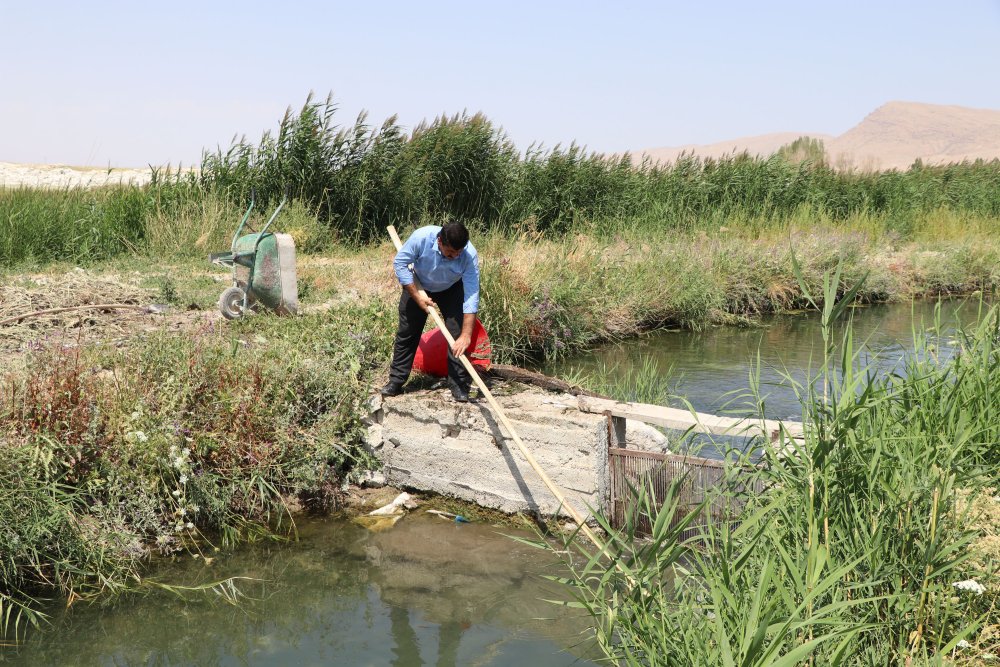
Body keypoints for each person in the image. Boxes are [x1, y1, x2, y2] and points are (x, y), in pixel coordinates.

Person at [381, 222, 480, 402]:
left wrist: (466, 334)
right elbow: (401, 263)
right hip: (418, 286)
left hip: (451, 288)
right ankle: (396, 381)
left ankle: (458, 384)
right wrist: (417, 297)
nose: (455, 256)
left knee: (457, 335)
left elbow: (472, 294)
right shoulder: (421, 238)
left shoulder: (468, 254)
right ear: (440, 241)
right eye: (450, 253)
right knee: (408, 332)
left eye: (458, 253)